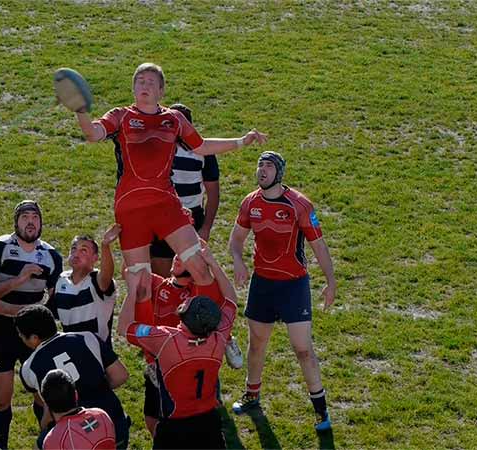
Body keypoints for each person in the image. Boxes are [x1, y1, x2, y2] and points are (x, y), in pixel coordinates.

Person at [71, 62, 267, 323]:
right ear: (133, 88)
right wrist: (80, 110)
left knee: (198, 266)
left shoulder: (174, 119)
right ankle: (156, 351)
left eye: (151, 82)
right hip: (131, 211)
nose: (145, 85)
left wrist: (241, 141)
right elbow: (92, 133)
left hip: (166, 205)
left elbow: (201, 146)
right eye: (140, 81)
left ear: (161, 91)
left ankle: (220, 328)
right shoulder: (121, 116)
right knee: (140, 285)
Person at [228, 151, 337, 431]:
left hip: (293, 286)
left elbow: (319, 245)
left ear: (279, 173)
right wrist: (238, 261)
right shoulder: (250, 202)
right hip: (262, 285)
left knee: (303, 350)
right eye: (259, 165)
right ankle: (252, 395)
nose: (262, 171)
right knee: (257, 344)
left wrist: (330, 281)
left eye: (268, 166)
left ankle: (321, 410)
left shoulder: (299, 205)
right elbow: (236, 240)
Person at [117, 244, 238, 449]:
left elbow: (125, 328)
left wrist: (131, 292)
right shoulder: (218, 336)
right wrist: (214, 263)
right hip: (208, 422)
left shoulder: (165, 339)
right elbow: (231, 301)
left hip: (174, 428)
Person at [0, 200, 63, 449]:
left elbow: (52, 310)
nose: (31, 222)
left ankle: (48, 443)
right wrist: (19, 279)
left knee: (44, 395)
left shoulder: (51, 256)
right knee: (2, 398)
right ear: (16, 223)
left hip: (35, 333)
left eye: (35, 217)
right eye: (24, 217)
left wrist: (4, 308)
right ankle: (1, 446)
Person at [15, 305, 130, 450]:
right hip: (113, 426)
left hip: (72, 440)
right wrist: (97, 388)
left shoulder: (28, 368)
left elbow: (46, 414)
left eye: (20, 334)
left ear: (34, 338)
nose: (20, 337)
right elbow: (121, 375)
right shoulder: (87, 337)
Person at [149, 103, 220, 278]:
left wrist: (205, 228)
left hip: (192, 218)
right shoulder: (155, 148)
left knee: (192, 276)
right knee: (160, 277)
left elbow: (213, 193)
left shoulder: (204, 151)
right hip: (161, 216)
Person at [46, 225, 120, 348]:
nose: (76, 254)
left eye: (83, 250)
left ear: (95, 258)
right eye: (73, 249)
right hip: (70, 351)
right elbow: (49, 313)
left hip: (98, 354)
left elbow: (106, 276)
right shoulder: (62, 280)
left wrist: (105, 246)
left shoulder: (96, 280)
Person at [40, 369, 116, 450]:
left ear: (47, 405)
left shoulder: (53, 440)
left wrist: (44, 422)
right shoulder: (101, 414)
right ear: (76, 395)